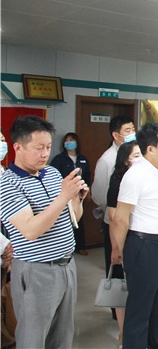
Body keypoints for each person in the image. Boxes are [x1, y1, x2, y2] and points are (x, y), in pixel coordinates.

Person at [0, 115, 88, 348]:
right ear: (18, 147)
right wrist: (63, 196)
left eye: (48, 147)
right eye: (39, 148)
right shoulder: (7, 184)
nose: (45, 154)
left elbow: (73, 218)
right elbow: (30, 230)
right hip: (36, 270)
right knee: (33, 338)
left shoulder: (52, 174)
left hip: (66, 265)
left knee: (62, 336)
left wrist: (76, 199)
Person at [110, 123, 158, 349]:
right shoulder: (135, 175)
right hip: (144, 245)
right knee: (140, 308)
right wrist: (120, 250)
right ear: (150, 149)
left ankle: (155, 345)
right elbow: (120, 218)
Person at [91, 114, 135, 315]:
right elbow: (100, 194)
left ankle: (128, 310)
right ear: (116, 135)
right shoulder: (107, 160)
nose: (132, 133)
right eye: (128, 131)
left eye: (133, 129)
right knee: (117, 269)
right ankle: (117, 312)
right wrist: (114, 210)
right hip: (114, 222)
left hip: (132, 224)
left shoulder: (135, 155)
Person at [105, 141, 141, 347]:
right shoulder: (117, 182)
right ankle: (122, 333)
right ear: (125, 160)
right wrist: (116, 248)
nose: (140, 159)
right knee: (121, 286)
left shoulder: (142, 178)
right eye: (135, 156)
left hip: (139, 238)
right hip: (120, 239)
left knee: (137, 287)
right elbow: (114, 219)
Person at [50, 132, 92, 256]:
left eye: (71, 140)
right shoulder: (59, 159)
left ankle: (80, 246)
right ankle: (65, 246)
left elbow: (87, 175)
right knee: (64, 218)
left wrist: (87, 190)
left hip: (79, 193)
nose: (69, 143)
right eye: (67, 140)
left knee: (79, 219)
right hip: (62, 193)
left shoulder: (82, 159)